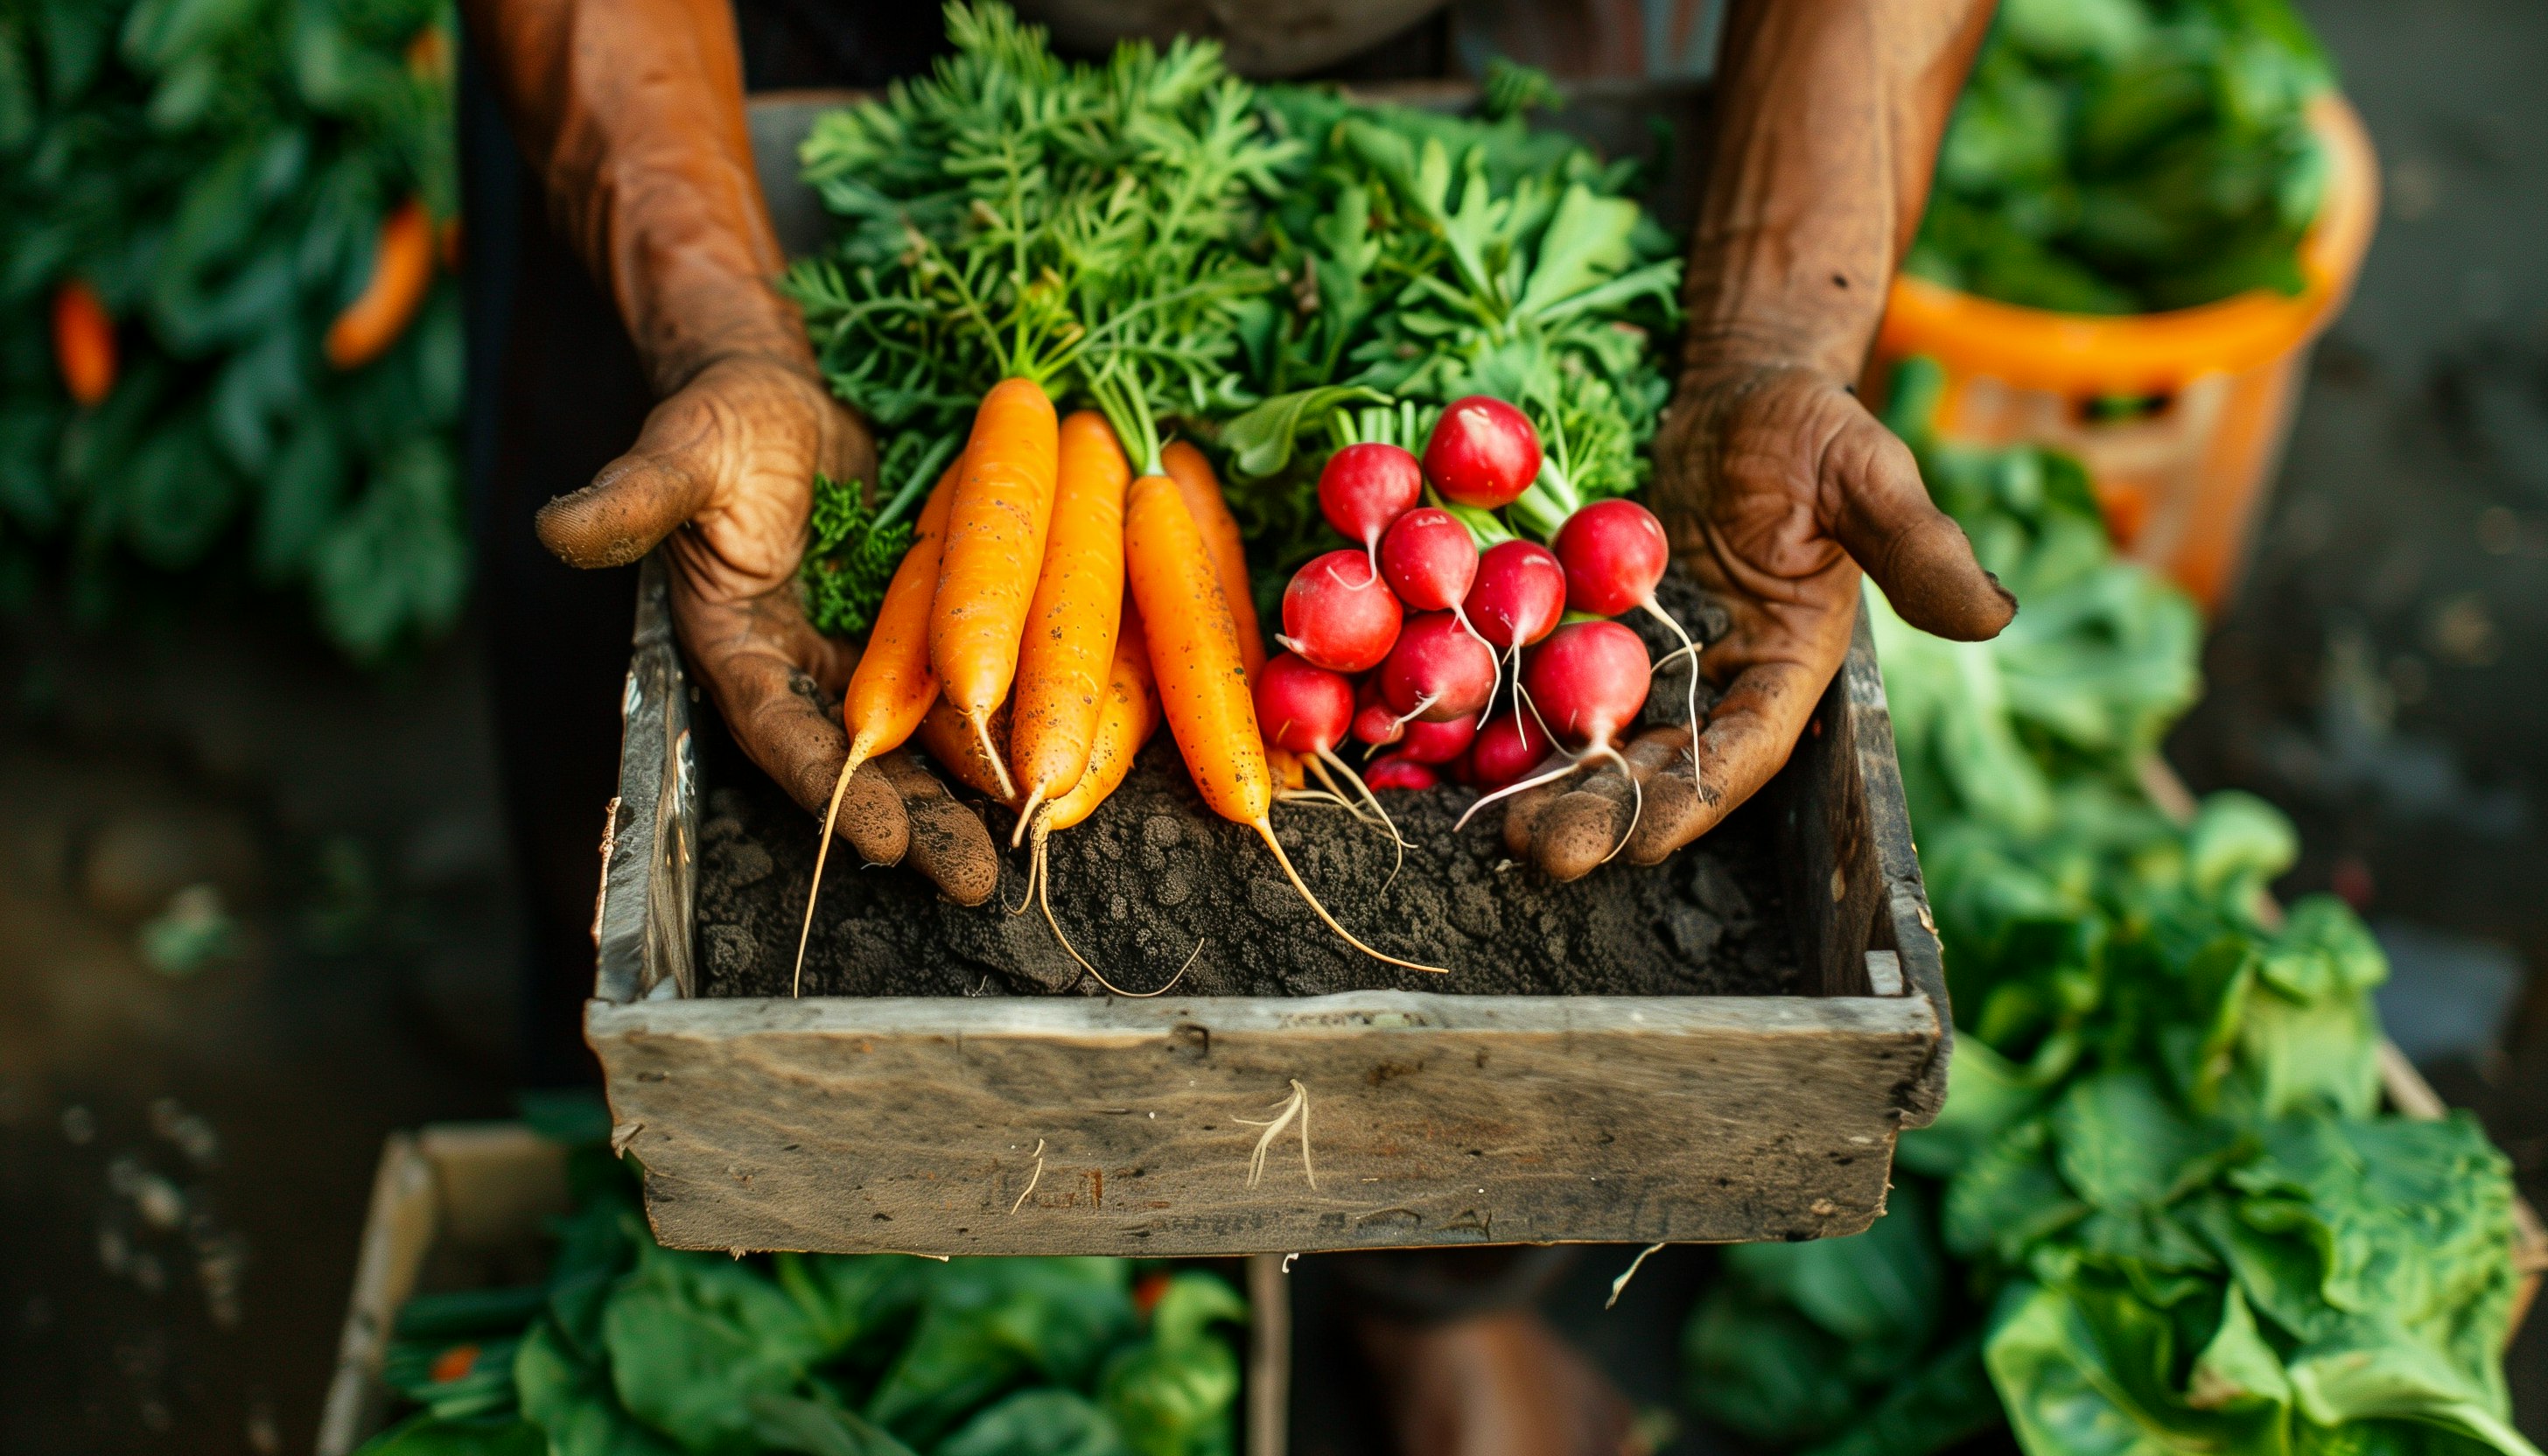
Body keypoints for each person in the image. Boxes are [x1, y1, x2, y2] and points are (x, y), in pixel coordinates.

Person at [461, 0, 2013, 1448]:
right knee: (636, 712)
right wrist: (719, 321)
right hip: (834, 39)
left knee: (1516, 1050)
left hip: (1503, 24)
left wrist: (1770, 336)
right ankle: (695, 1229)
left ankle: (1439, 1290)